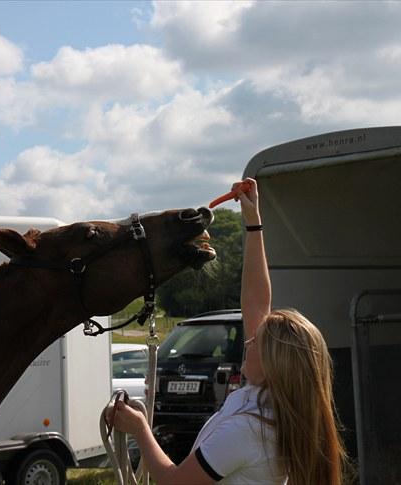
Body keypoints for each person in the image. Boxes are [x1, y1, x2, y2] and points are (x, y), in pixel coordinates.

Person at [107, 178, 347, 485]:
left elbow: (176, 482)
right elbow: (258, 303)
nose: (249, 341)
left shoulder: (246, 433)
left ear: (275, 366)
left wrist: (140, 429)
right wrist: (253, 223)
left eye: (256, 343)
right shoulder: (275, 407)